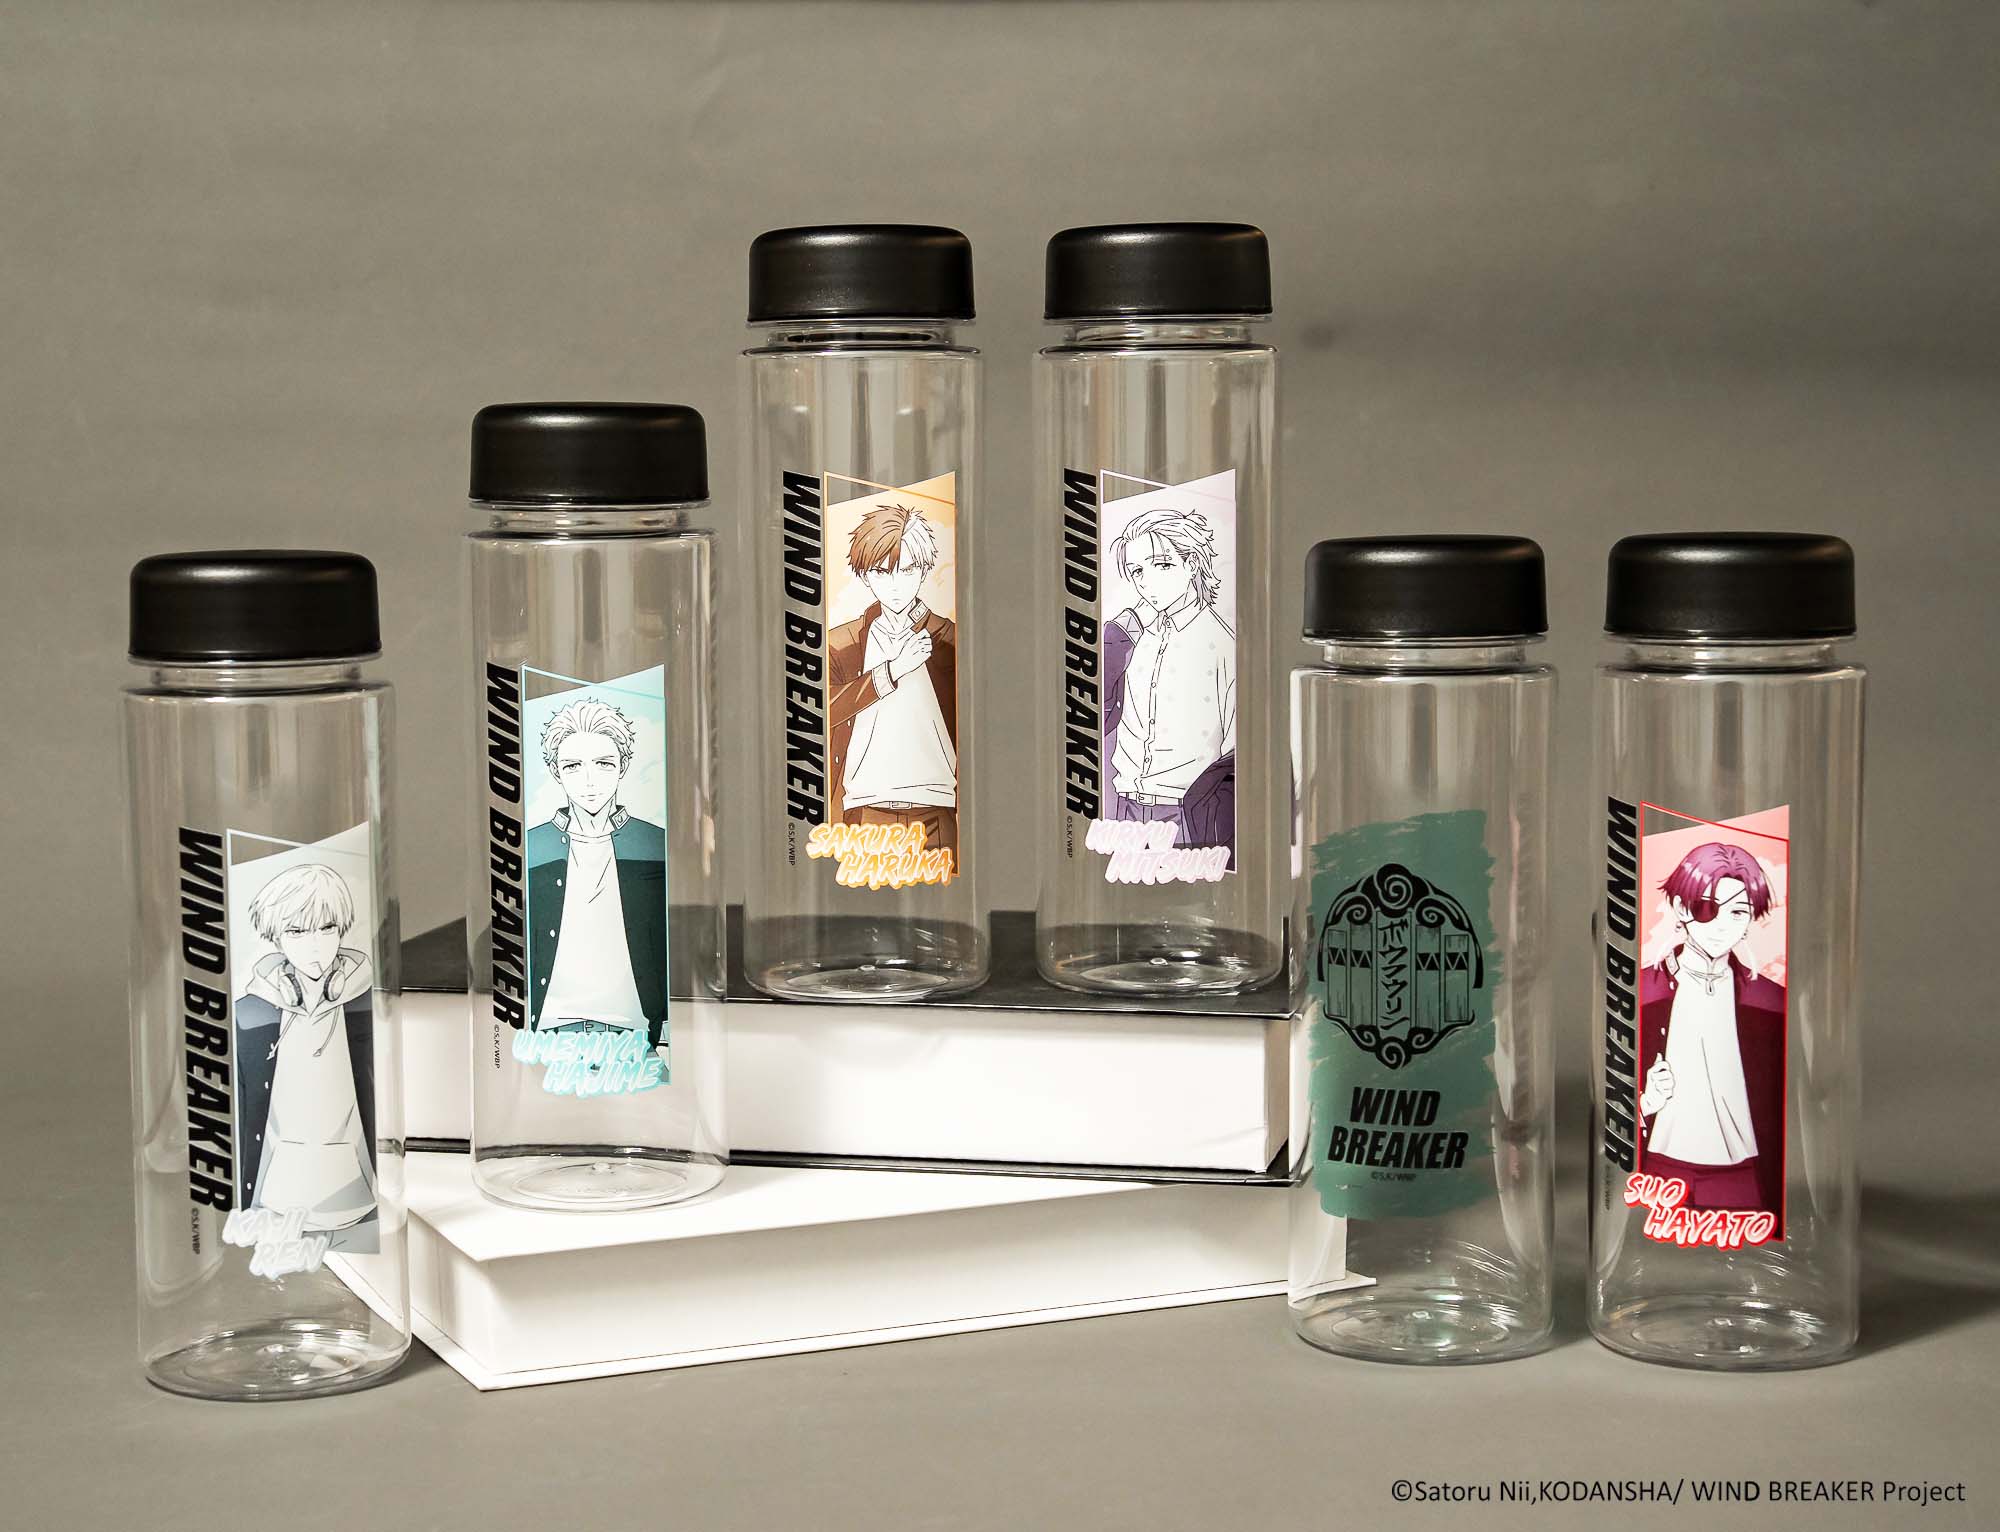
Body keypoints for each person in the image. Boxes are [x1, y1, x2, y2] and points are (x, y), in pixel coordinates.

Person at [1638, 840, 1787, 1216]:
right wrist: (1645, 1102)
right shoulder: (1643, 992)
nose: (1722, 925)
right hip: (1660, 1170)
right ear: (1679, 908)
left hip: (1739, 1174)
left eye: (1737, 912)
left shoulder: (1769, 1001)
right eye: (1707, 908)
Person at [235, 861, 376, 1236]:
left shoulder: (368, 1007)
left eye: (327, 928)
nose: (315, 944)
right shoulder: (249, 1015)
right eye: (296, 931)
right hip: (272, 1206)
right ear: (276, 938)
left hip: (359, 1202)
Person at [526, 697, 668, 1046]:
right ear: (556, 772)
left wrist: (665, 1037)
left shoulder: (654, 843)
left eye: (603, 763)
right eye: (573, 765)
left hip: (636, 1038)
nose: (589, 780)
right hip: (547, 1037)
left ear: (622, 766)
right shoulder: (531, 847)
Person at [826, 503, 960, 859]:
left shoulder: (949, 639)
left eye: (908, 569)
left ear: (924, 570)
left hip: (935, 810)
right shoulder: (843, 643)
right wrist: (891, 671)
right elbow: (823, 709)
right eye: (882, 572)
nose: (896, 584)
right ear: (865, 575)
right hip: (865, 812)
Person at [1101, 507, 1236, 857]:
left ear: (1191, 564)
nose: (1146, 582)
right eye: (1137, 571)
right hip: (1127, 811)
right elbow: (1100, 715)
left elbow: (1237, 752)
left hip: (1187, 816)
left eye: (1162, 565)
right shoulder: (1134, 637)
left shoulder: (1222, 644)